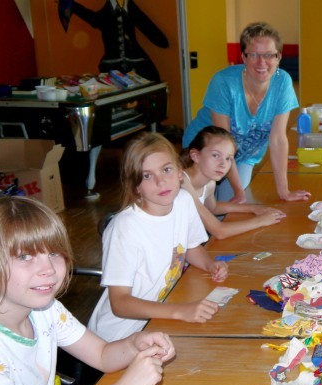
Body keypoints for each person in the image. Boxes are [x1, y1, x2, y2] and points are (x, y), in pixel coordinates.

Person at [0, 196, 176, 385]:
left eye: (53, 253)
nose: (48, 269)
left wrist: (133, 344)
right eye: (24, 256)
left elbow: (102, 355)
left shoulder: (46, 310)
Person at [87, 132, 229, 343]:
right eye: (147, 176)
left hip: (160, 318)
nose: (161, 182)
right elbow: (120, 303)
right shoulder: (125, 228)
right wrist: (180, 311)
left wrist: (209, 264)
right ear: (135, 186)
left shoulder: (183, 201)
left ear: (180, 172)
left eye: (166, 170)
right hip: (119, 337)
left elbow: (190, 248)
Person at [183, 21, 311, 203]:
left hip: (244, 157)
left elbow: (278, 139)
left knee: (231, 209)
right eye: (253, 54)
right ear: (243, 57)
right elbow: (223, 143)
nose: (261, 62)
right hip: (207, 153)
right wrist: (238, 191)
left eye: (269, 55)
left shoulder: (283, 82)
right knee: (201, 209)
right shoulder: (224, 82)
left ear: (279, 57)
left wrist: (284, 192)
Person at [181, 126, 286, 239]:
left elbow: (213, 207)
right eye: (216, 155)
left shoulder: (209, 183)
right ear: (195, 156)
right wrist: (260, 221)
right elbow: (219, 231)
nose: (223, 164)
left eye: (228, 158)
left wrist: (253, 208)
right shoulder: (182, 182)